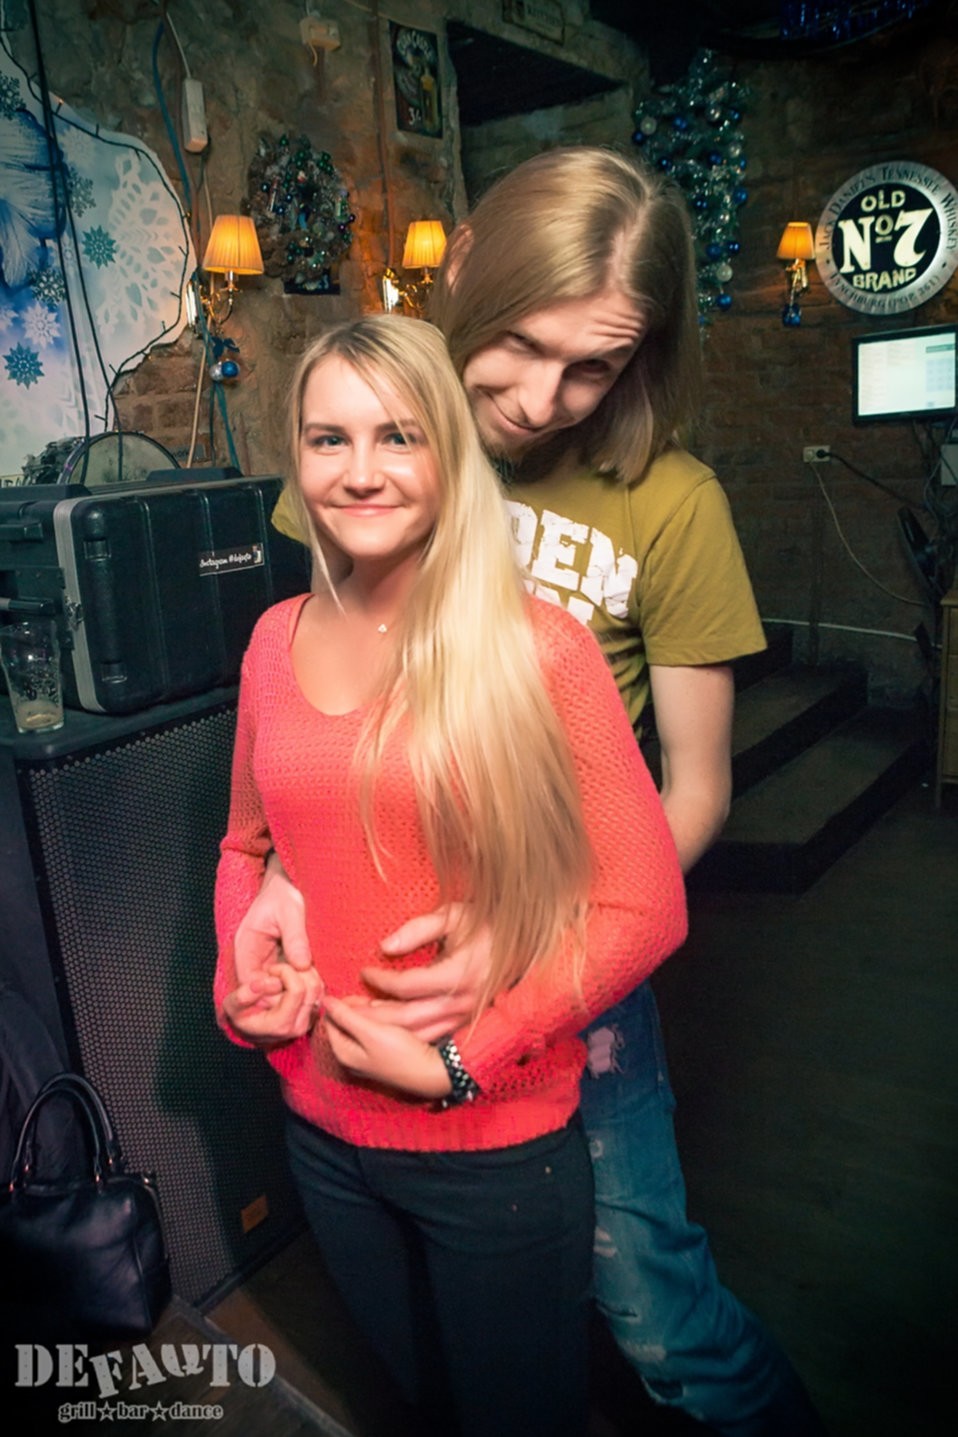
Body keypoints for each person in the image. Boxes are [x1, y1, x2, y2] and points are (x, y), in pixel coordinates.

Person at [254, 148, 827, 1436]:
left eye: (592, 366)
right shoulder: (366, 446)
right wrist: (281, 879)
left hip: (570, 955)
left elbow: (694, 793)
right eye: (518, 343)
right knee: (435, 1317)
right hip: (381, 959)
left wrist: (530, 935)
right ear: (464, 268)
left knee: (654, 1313)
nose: (539, 398)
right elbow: (307, 708)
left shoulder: (670, 505)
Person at [213, 313, 688, 1437]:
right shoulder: (274, 638)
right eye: (329, 439)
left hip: (491, 1149)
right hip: (321, 1127)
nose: (360, 471)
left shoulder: (539, 647)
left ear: (449, 453)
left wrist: (466, 1058)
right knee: (417, 1398)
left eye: (398, 436)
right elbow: (246, 847)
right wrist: (243, 984)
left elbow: (645, 904)